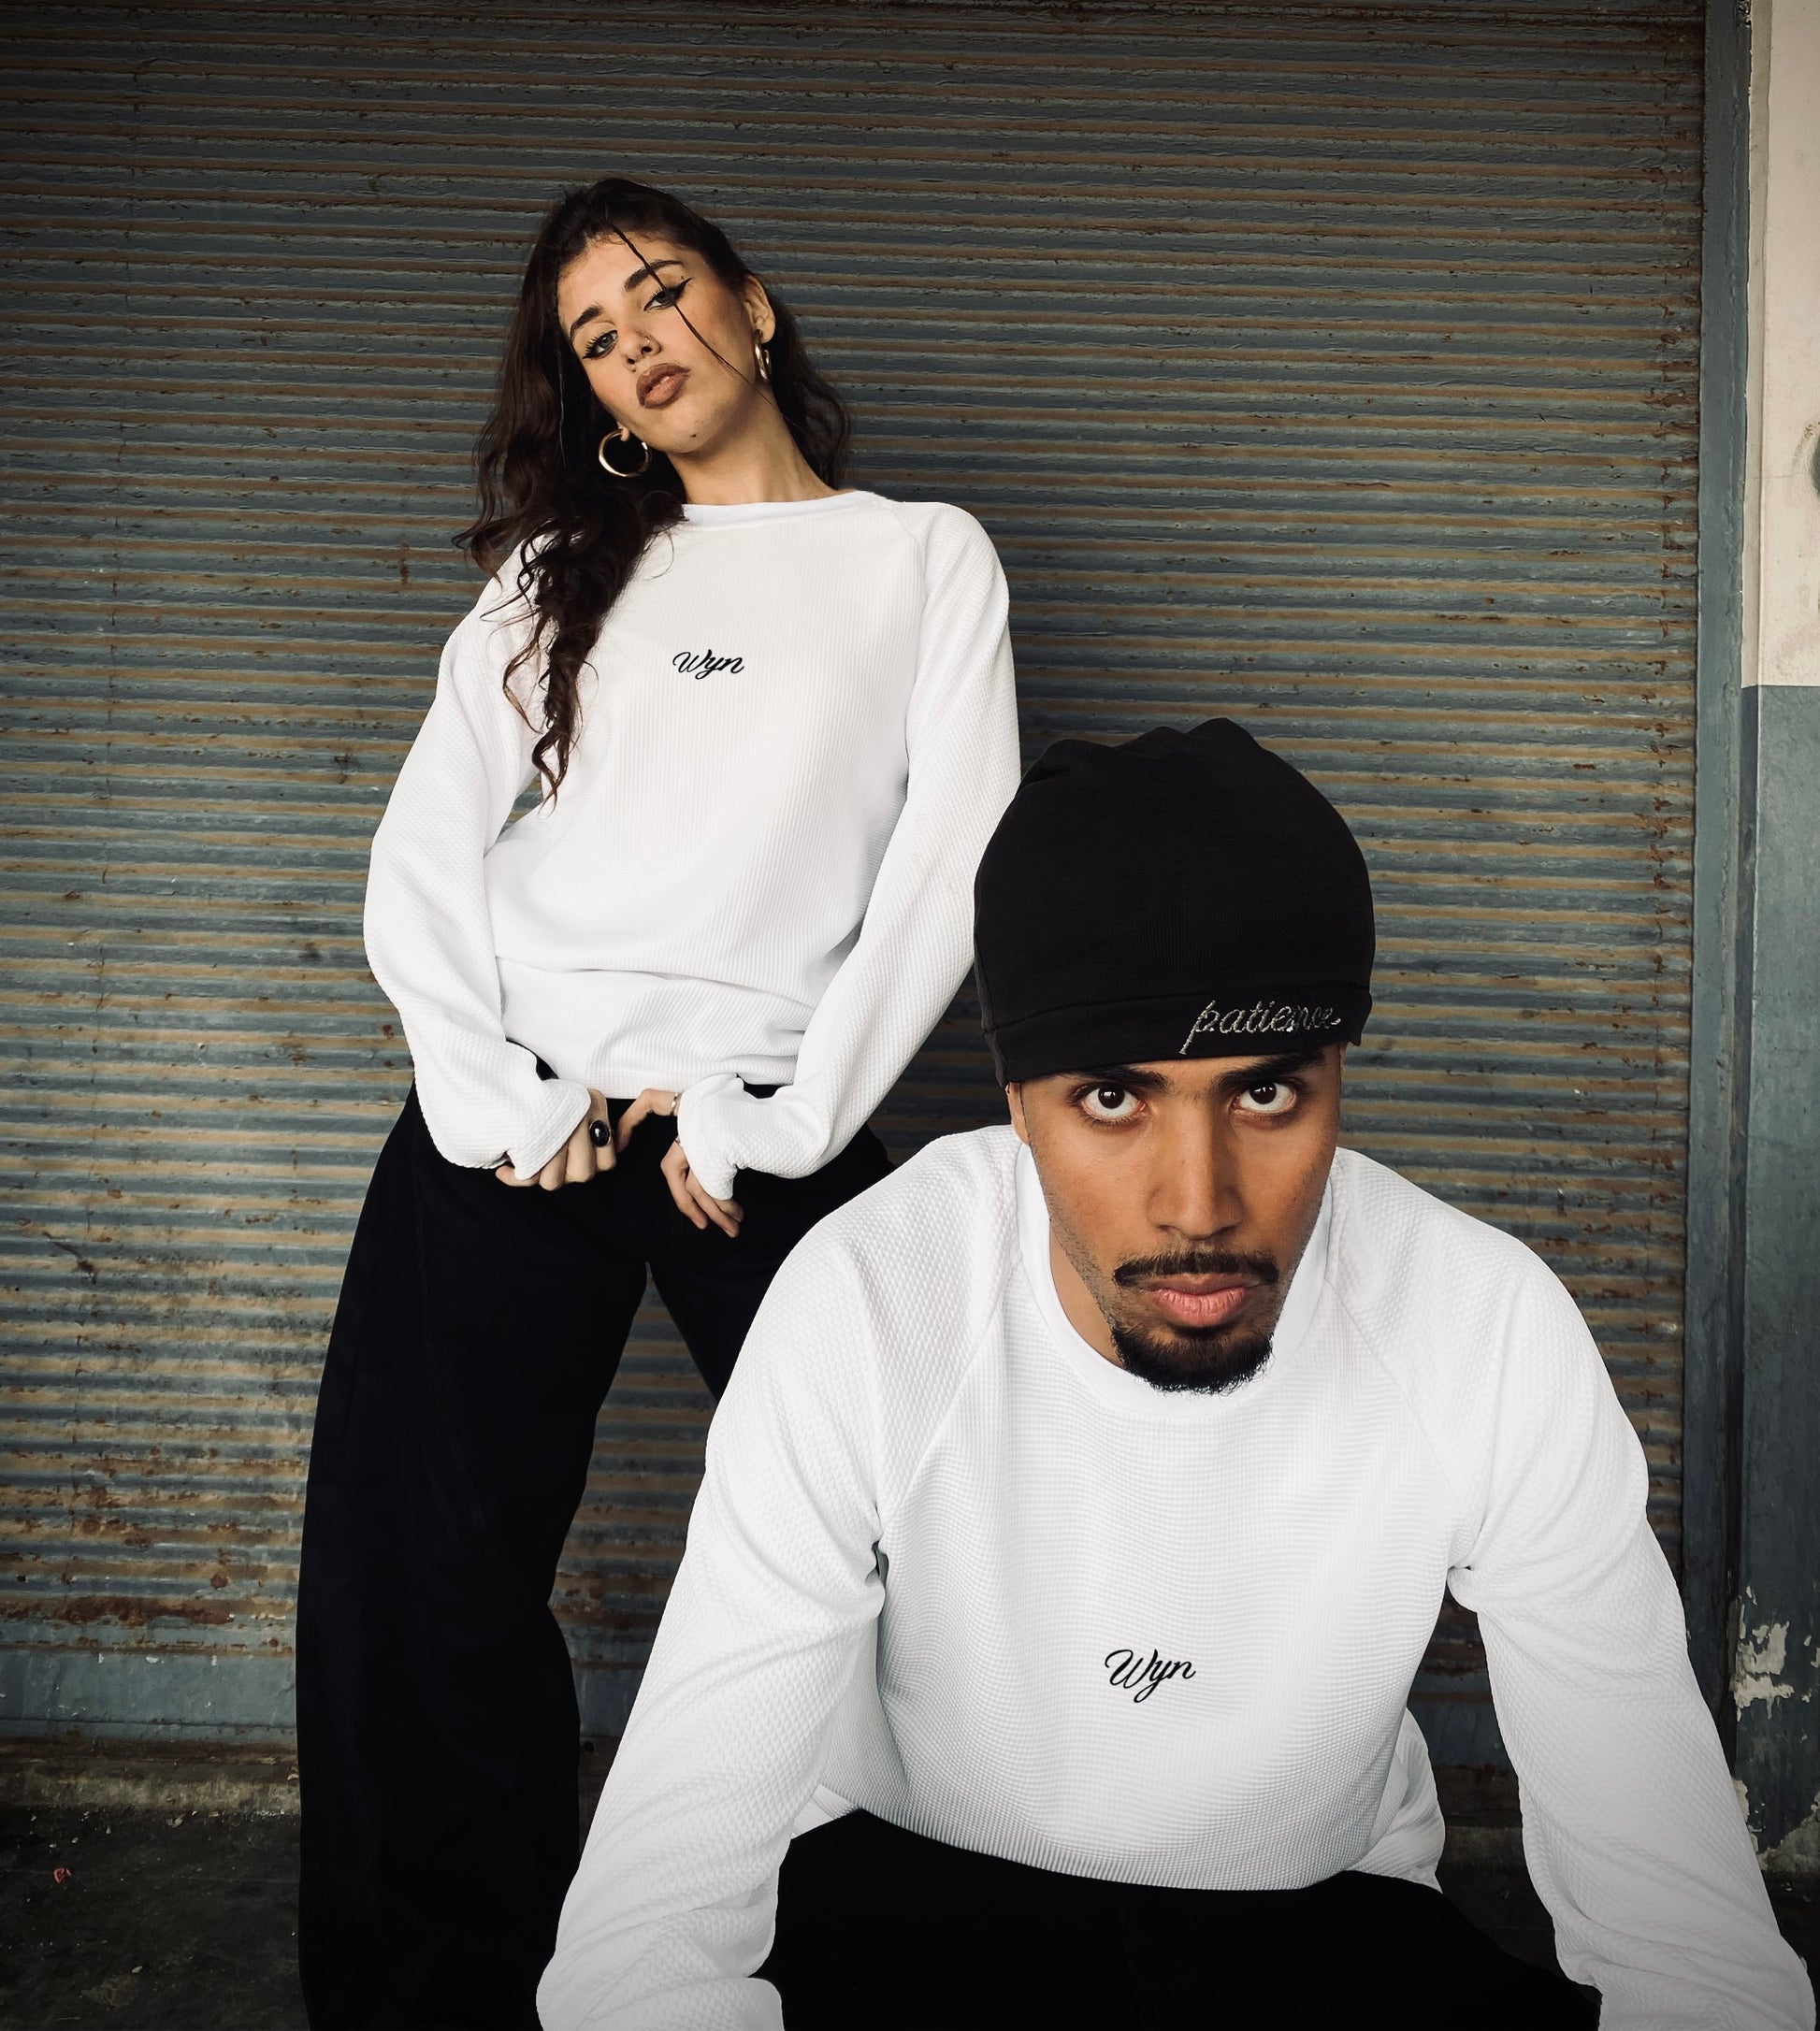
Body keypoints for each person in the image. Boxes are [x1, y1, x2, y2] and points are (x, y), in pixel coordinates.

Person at [539, 721, 1813, 2031]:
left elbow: (1685, 1937)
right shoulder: (873, 1298)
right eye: (1112, 1099)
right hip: (898, 1895)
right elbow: (651, 1929)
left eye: (1265, 1096)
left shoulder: (1482, 1326)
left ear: (1336, 1078)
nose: (1197, 1206)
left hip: (1314, 1927)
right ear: (1015, 1097)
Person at [295, 177, 1020, 2030]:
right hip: (517, 1123)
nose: (640, 342)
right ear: (593, 392)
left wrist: (777, 1119)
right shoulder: (558, 572)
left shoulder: (921, 558)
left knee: (905, 1564)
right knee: (422, 1586)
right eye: (598, 337)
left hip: (757, 1128)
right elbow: (421, 855)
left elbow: (953, 865)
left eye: (662, 292)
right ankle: (442, 1997)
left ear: (751, 306)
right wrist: (492, 1096)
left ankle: (863, 1963)